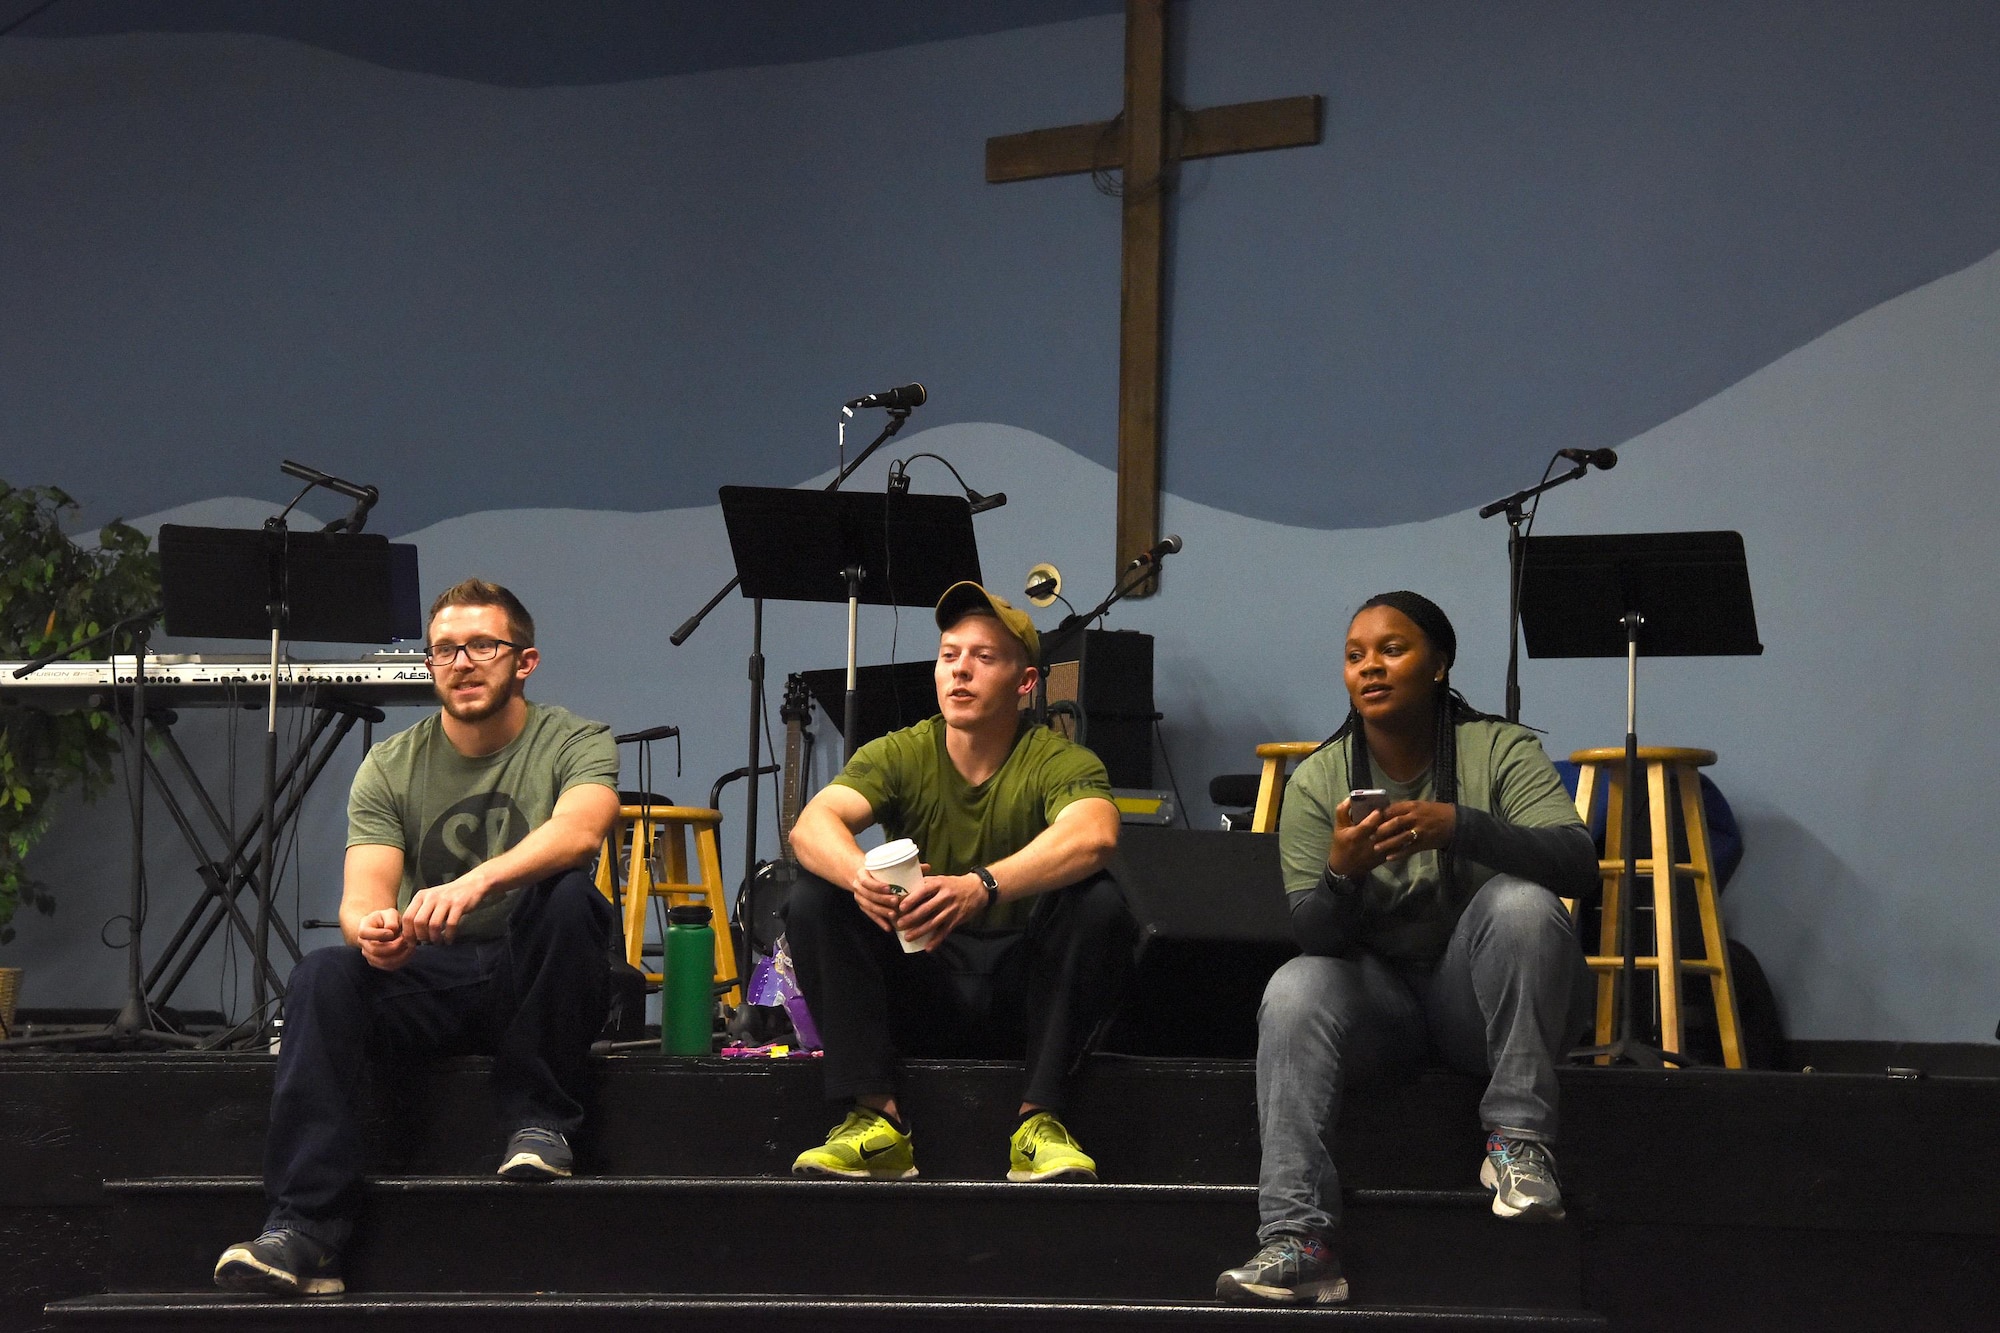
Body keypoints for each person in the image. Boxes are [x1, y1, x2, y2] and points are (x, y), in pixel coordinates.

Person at [214, 579, 621, 1297]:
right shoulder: (391, 764)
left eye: (483, 646)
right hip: (437, 977)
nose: (462, 662)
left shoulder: (575, 738)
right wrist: (376, 933)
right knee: (323, 974)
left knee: (567, 898)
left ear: (524, 661)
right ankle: (304, 1232)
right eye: (444, 650)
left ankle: (540, 1123)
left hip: (536, 974)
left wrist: (476, 883)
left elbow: (581, 829)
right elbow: (363, 896)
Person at [1217, 591, 1597, 1306]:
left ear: (1439, 664)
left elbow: (1579, 863)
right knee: (1294, 985)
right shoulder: (1318, 779)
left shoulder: (1499, 748)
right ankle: (1300, 1241)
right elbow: (1316, 936)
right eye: (1356, 655)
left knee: (1523, 902)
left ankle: (1518, 1144)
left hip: (1482, 1005)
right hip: (1380, 1010)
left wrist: (1461, 825)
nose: (1371, 667)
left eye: (1393, 649)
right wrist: (1342, 872)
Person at [784, 582, 1131, 1182]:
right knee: (816, 895)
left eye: (983, 657)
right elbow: (813, 823)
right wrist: (859, 877)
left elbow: (1096, 834)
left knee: (1100, 901)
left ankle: (1039, 1122)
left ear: (1025, 683)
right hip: (927, 981)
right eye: (949, 656)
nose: (960, 671)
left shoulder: (1057, 758)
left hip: (1025, 992)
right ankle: (876, 1123)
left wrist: (981, 886)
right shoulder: (903, 751)